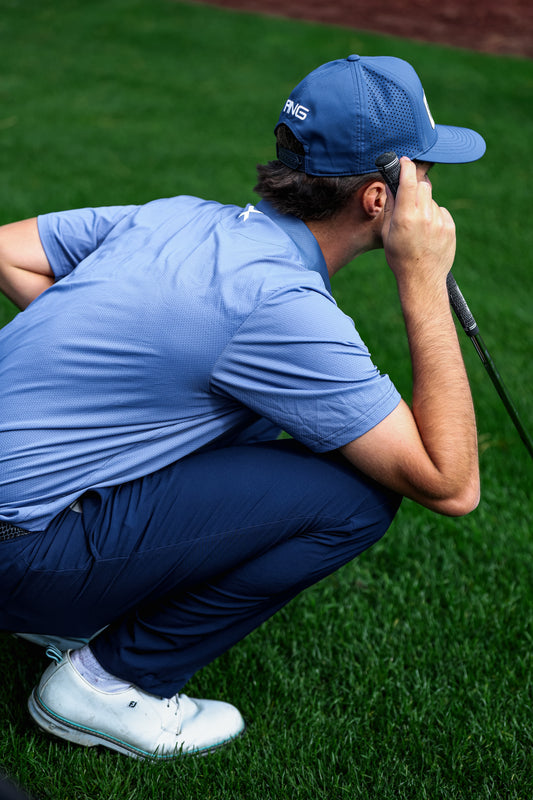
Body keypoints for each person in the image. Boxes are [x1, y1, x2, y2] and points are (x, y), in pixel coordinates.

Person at [0, 54, 484, 759]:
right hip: (16, 555)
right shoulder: (280, 306)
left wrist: (138, 371)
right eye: (424, 172)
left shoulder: (175, 217)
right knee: (354, 495)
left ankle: (75, 594)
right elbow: (450, 483)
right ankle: (107, 684)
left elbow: (9, 252)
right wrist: (420, 278)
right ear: (380, 199)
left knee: (247, 420)